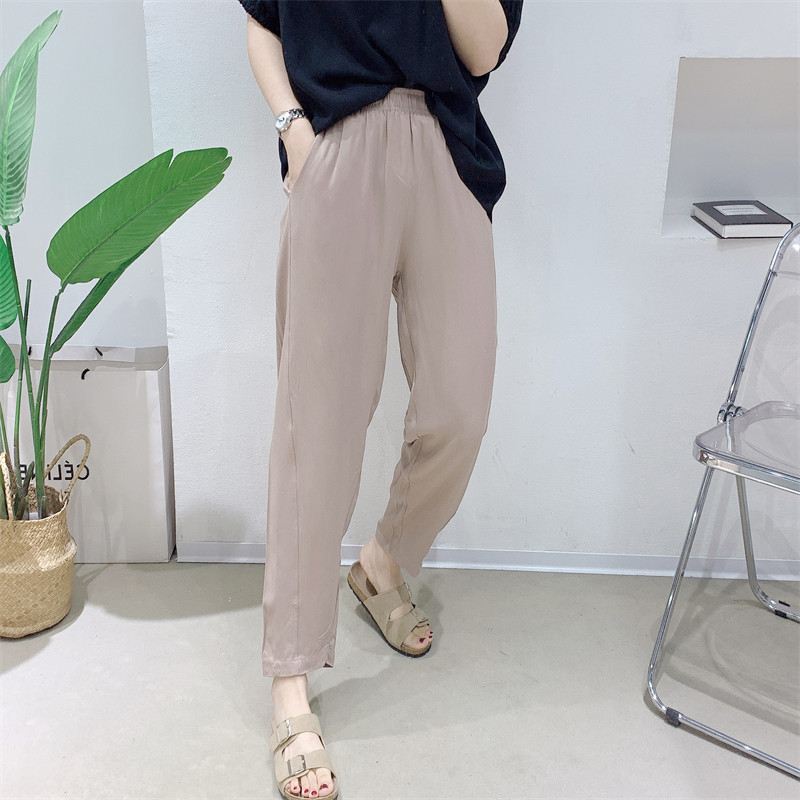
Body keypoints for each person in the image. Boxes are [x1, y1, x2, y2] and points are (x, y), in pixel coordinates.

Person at [236, 2, 523, 797]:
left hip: (447, 150)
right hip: (339, 144)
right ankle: (290, 675)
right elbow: (262, 22)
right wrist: (294, 130)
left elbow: (482, 50)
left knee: (460, 407)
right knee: (317, 423)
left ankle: (382, 562)